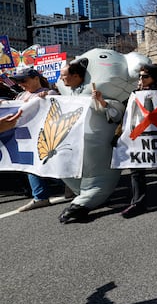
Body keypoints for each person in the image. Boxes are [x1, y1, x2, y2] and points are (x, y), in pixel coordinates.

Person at [57, 58, 126, 223]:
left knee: (99, 179)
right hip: (71, 146)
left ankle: (81, 205)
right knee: (62, 169)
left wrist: (101, 101)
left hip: (99, 149)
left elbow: (116, 115)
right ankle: (88, 196)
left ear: (76, 76)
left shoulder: (99, 95)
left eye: (64, 75)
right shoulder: (64, 96)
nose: (61, 79)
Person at [121, 64, 157, 218]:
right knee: (136, 169)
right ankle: (138, 203)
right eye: (140, 76)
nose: (141, 79)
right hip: (140, 138)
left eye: (145, 76)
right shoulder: (136, 94)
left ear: (154, 77)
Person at [9, 67, 64, 213]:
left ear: (36, 78)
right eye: (18, 81)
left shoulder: (49, 93)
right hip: (26, 137)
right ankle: (40, 196)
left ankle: (70, 186)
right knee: (31, 166)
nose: (20, 84)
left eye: (23, 80)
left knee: (51, 164)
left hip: (45, 136)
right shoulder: (20, 96)